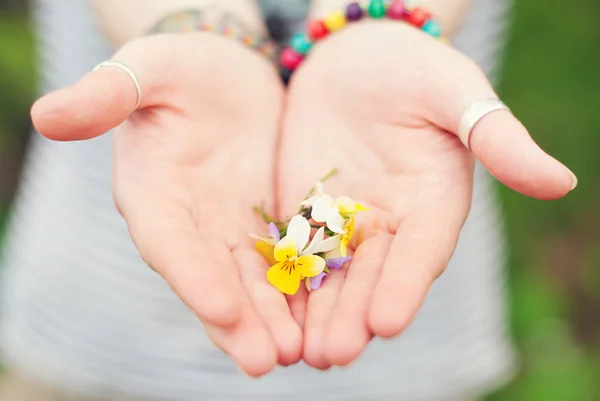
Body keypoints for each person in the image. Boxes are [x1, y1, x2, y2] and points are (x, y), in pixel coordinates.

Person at [0, 0, 576, 400]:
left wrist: (373, 30)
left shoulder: (317, 247)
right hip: (91, 334)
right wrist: (199, 27)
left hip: (405, 359)